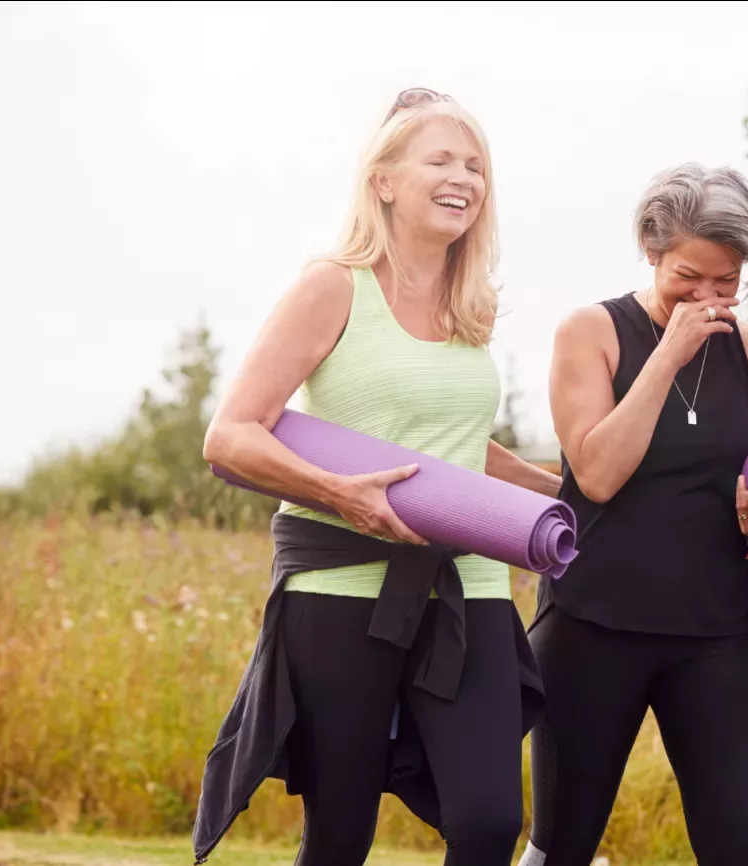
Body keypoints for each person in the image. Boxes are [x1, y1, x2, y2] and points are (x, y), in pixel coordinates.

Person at [193, 88, 560, 866]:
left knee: (490, 821)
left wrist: (557, 491)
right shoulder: (334, 285)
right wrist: (338, 493)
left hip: (469, 590)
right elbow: (230, 436)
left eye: (475, 165)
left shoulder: (471, 307)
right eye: (441, 160)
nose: (464, 177)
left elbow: (454, 444)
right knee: (339, 836)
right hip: (342, 595)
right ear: (384, 180)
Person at [521, 164, 748, 866]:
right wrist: (669, 354)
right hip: (590, 627)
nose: (708, 297)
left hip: (713, 637)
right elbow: (597, 472)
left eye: (727, 280)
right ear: (651, 252)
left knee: (738, 848)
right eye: (689, 275)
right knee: (562, 845)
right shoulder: (591, 332)